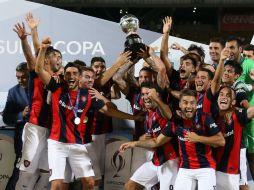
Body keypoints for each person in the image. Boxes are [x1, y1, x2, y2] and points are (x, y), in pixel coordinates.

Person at [36, 37, 143, 190]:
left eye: (74, 74)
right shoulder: (56, 88)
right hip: (57, 144)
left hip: (78, 145)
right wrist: (42, 49)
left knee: (90, 183)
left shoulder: (88, 95)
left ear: (79, 77)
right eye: (67, 74)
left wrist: (132, 117)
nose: (71, 76)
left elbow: (109, 111)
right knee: (57, 184)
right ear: (64, 76)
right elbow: (39, 69)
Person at [121, 89, 225, 190]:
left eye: (192, 103)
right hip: (185, 169)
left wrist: (198, 138)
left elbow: (221, 141)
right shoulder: (175, 124)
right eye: (185, 103)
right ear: (179, 104)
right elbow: (157, 141)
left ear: (196, 104)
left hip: (205, 168)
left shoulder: (204, 118)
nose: (189, 106)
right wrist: (134, 143)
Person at [119, 82, 178, 190]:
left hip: (170, 161)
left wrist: (135, 143)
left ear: (157, 95)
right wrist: (141, 139)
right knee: (130, 186)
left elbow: (169, 116)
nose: (145, 97)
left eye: (149, 94)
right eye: (143, 94)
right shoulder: (148, 113)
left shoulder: (163, 110)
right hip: (156, 160)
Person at [212, 86, 254, 190]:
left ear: (233, 102)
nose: (224, 97)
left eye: (228, 95)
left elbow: (251, 112)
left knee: (243, 186)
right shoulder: (212, 116)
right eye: (221, 94)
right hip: (213, 169)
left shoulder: (237, 115)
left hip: (232, 172)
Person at [2, 62, 29, 190]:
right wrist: (21, 115)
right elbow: (7, 117)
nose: (20, 80)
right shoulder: (13, 92)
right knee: (19, 171)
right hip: (22, 140)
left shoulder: (42, 88)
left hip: (45, 138)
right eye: (17, 77)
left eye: (23, 77)